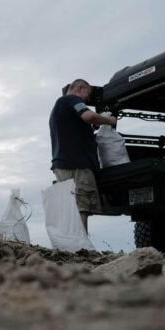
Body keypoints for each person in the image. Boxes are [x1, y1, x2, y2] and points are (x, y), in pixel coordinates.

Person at [49, 78, 117, 232]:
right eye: (88, 93)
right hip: (77, 165)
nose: (88, 98)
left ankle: (72, 245)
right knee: (81, 205)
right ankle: (81, 246)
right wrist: (109, 120)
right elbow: (89, 116)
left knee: (71, 207)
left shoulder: (59, 107)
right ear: (80, 88)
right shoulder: (71, 99)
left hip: (63, 164)